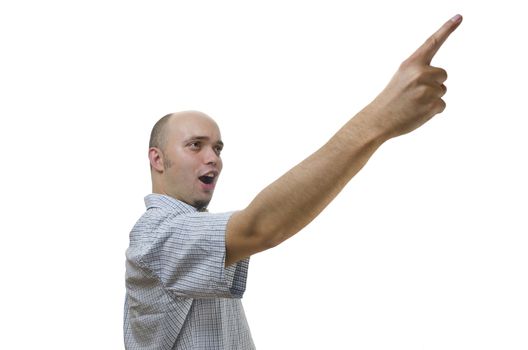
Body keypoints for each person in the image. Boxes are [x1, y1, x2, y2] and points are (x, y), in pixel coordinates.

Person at [124, 14, 463, 350]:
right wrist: (379, 120)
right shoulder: (156, 236)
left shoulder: (194, 233)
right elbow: (261, 227)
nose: (213, 157)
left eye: (217, 147)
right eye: (195, 145)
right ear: (157, 159)